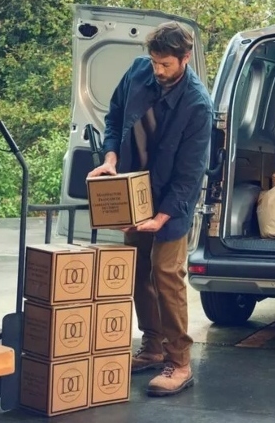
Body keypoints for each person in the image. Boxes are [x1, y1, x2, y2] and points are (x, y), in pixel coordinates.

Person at [87, 21, 212, 397]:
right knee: (137, 269)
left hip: (171, 200)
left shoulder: (197, 105)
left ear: (185, 59)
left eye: (165, 65)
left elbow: (190, 175)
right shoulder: (139, 72)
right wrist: (111, 157)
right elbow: (114, 116)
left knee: (166, 274)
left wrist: (162, 216)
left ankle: (180, 362)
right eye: (154, 62)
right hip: (133, 192)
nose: (158, 71)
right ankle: (153, 346)